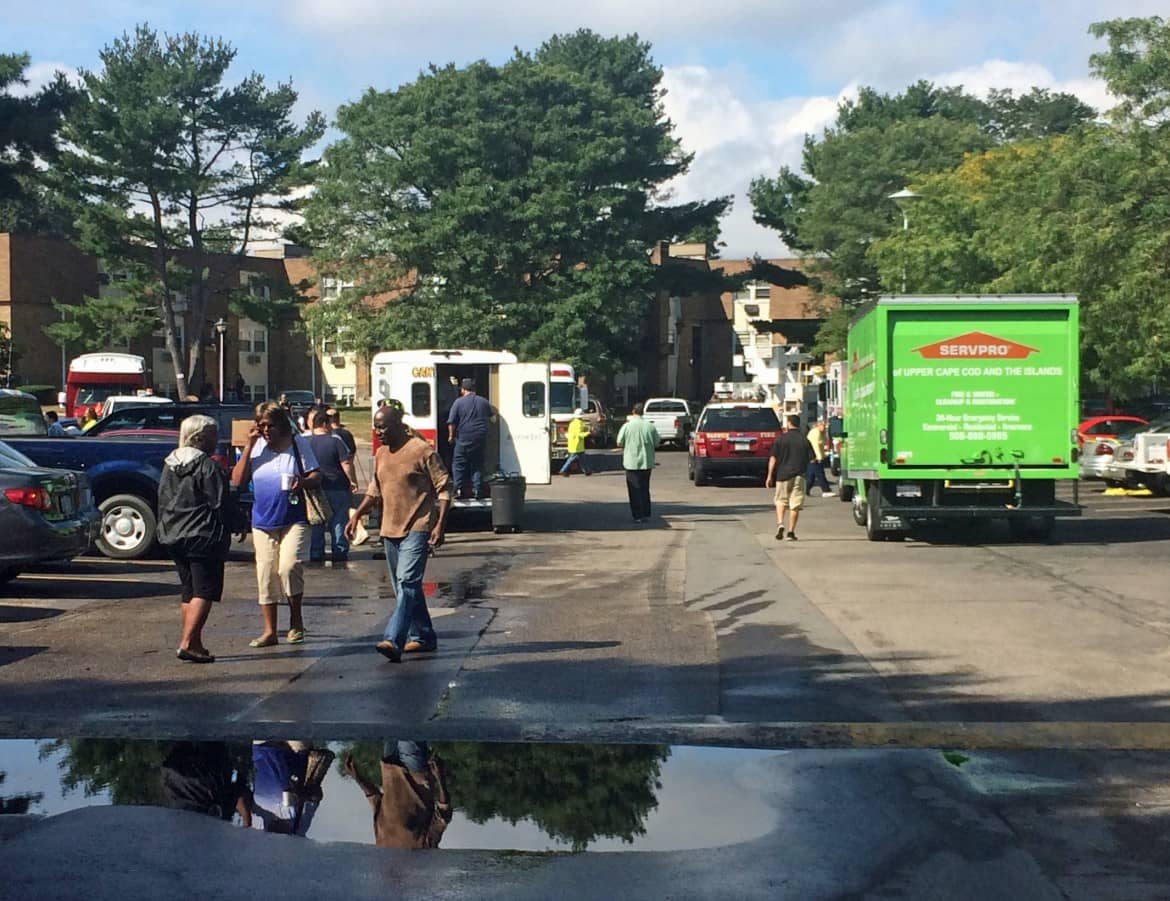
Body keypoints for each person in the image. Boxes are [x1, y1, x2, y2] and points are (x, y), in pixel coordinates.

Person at [346, 403, 450, 663]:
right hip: (390, 528)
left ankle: (394, 639)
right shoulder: (381, 453)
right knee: (404, 588)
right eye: (376, 427)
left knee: (408, 583)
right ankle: (424, 636)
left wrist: (439, 525)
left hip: (418, 526)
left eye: (383, 427)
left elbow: (445, 488)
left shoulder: (421, 450)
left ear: (398, 425)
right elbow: (375, 489)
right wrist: (358, 513)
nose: (379, 432)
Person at [232, 400, 321, 648]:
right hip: (263, 520)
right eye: (261, 426)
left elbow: (316, 474)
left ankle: (296, 620)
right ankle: (270, 631)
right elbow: (237, 480)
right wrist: (249, 446)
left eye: (270, 425)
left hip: (295, 517)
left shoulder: (297, 443)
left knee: (289, 566)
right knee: (266, 574)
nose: (266, 430)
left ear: (281, 423)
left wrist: (302, 483)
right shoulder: (256, 446)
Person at [157, 414, 246, 663]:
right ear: (202, 437)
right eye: (213, 435)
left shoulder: (169, 465)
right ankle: (187, 642)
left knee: (189, 591)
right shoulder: (207, 466)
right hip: (203, 535)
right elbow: (220, 501)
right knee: (205, 590)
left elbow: (162, 499)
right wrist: (238, 522)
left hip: (173, 534)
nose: (216, 440)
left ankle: (195, 642)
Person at [344, 743, 451, 848]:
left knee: (393, 727)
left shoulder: (382, 845)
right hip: (414, 772)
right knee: (408, 729)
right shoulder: (422, 851)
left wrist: (357, 778)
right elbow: (443, 816)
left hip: (389, 767)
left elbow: (374, 798)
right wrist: (440, 777)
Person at [307, 408, 358, 564]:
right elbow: (346, 463)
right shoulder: (335, 441)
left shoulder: (306, 442)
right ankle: (339, 550)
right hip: (336, 486)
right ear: (324, 424)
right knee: (338, 519)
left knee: (317, 520)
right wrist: (352, 480)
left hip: (314, 488)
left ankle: (316, 551)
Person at [766, 414, 815, 542]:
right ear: (798, 424)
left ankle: (780, 523)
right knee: (795, 504)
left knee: (780, 501)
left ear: (788, 423)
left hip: (782, 475)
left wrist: (769, 475)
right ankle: (791, 532)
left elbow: (773, 458)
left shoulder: (780, 439)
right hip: (799, 475)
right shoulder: (804, 440)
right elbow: (812, 458)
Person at [447, 377, 492, 499]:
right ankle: (477, 490)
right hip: (480, 438)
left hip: (464, 438)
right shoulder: (483, 401)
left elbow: (451, 422)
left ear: (462, 389)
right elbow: (491, 416)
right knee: (477, 464)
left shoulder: (458, 402)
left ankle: (458, 490)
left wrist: (451, 436)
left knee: (458, 463)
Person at [616, 403, 659, 523]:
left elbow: (619, 442)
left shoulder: (627, 426)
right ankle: (646, 513)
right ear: (642, 412)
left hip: (631, 462)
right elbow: (657, 442)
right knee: (645, 488)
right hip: (647, 462)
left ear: (633, 411)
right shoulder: (650, 427)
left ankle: (637, 515)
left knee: (634, 489)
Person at [559, 408, 592, 477]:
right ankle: (563, 470)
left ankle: (587, 471)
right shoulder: (579, 424)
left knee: (582, 459)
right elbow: (579, 434)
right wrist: (587, 433)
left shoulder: (572, 423)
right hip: (577, 445)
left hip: (573, 443)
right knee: (572, 459)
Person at [805, 419, 834, 497]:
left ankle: (805, 489)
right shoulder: (815, 433)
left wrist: (824, 454)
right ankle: (826, 490)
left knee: (811, 476)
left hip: (816, 456)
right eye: (822, 425)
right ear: (818, 426)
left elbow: (823, 444)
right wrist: (819, 457)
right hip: (813, 456)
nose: (824, 427)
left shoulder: (822, 433)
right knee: (820, 474)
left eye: (824, 426)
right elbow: (816, 446)